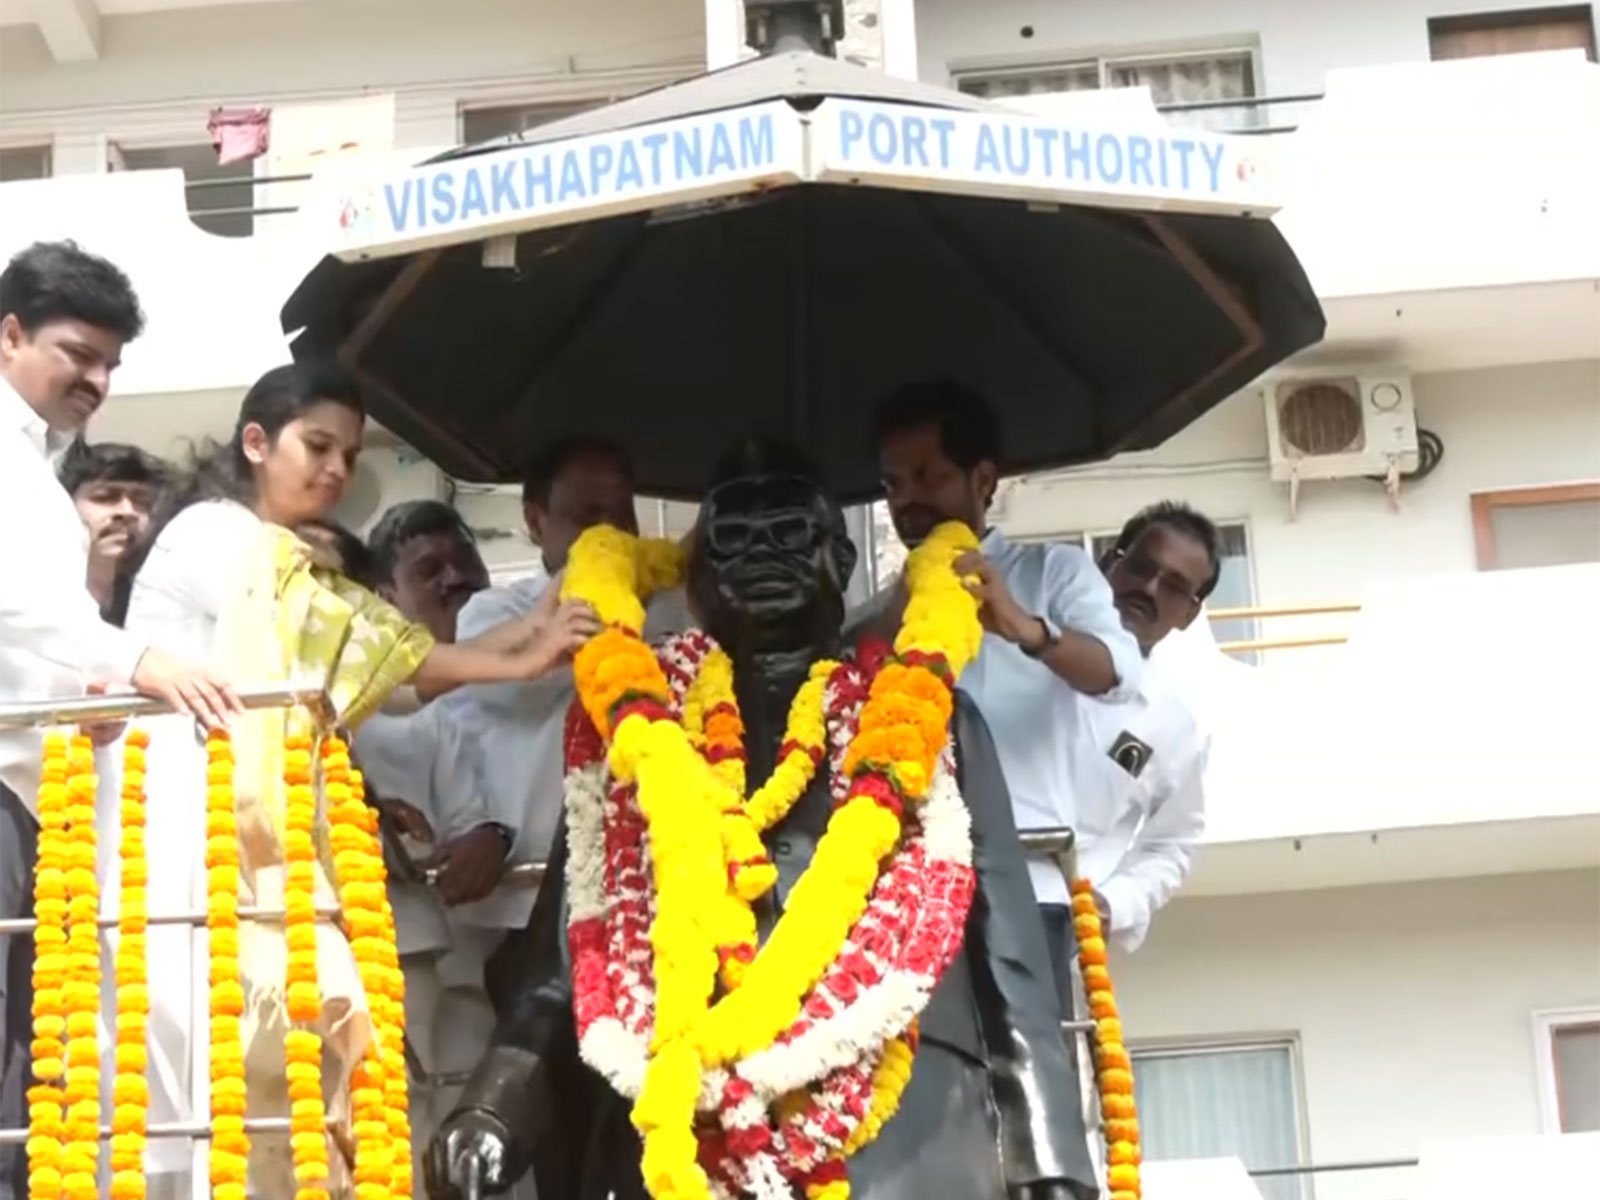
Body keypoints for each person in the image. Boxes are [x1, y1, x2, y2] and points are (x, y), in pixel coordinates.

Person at [426, 438, 1093, 1200]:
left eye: (789, 532)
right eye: (732, 539)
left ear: (841, 560)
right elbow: (564, 970)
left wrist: (1052, 1170)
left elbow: (1009, 969)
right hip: (685, 1128)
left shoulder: (930, 720)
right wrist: (490, 1110)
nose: (761, 555)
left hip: (909, 1132)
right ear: (694, 574)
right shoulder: (634, 739)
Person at [105, 362, 600, 1200]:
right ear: (256, 443)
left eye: (350, 454)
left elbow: (384, 673)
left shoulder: (287, 563)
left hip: (260, 850)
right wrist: (518, 651)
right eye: (318, 446)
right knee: (190, 1081)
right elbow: (356, 643)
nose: (336, 470)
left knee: (281, 1075)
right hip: (183, 844)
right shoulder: (214, 536)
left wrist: (525, 641)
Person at [0, 241, 238, 1200]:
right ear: (10, 334)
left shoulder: (33, 458)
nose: (96, 380)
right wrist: (138, 661)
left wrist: (81, 699)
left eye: (111, 364)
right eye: (76, 353)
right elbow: (14, 601)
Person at [850, 379, 1142, 996]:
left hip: (1029, 883)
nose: (908, 502)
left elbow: (1119, 673)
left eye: (928, 477)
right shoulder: (881, 612)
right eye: (892, 485)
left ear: (983, 480)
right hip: (909, 894)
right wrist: (891, 617)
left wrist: (1027, 629)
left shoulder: (1051, 573)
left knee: (1034, 1081)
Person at [353, 500, 536, 1186]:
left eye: (465, 561)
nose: (456, 578)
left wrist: (492, 834)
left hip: (486, 969)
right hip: (378, 958)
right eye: (429, 569)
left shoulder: (537, 671)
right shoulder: (357, 706)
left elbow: (477, 816)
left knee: (478, 1140)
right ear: (382, 599)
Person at [437, 435, 691, 875]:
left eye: (621, 513)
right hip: (531, 876)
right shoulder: (494, 615)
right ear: (536, 522)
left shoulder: (670, 604)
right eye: (589, 517)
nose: (610, 531)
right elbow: (513, 687)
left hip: (648, 864)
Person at [1068, 502, 1216, 956]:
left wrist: (1117, 904)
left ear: (1190, 613)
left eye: (1173, 586)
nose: (1148, 589)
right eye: (1142, 568)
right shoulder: (1026, 645)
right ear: (1112, 563)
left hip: (1052, 922)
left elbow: (1173, 843)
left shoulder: (1171, 725)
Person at [56, 437, 170, 618]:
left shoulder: (162, 595)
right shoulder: (37, 587)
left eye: (142, 502)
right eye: (104, 497)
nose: (127, 511)